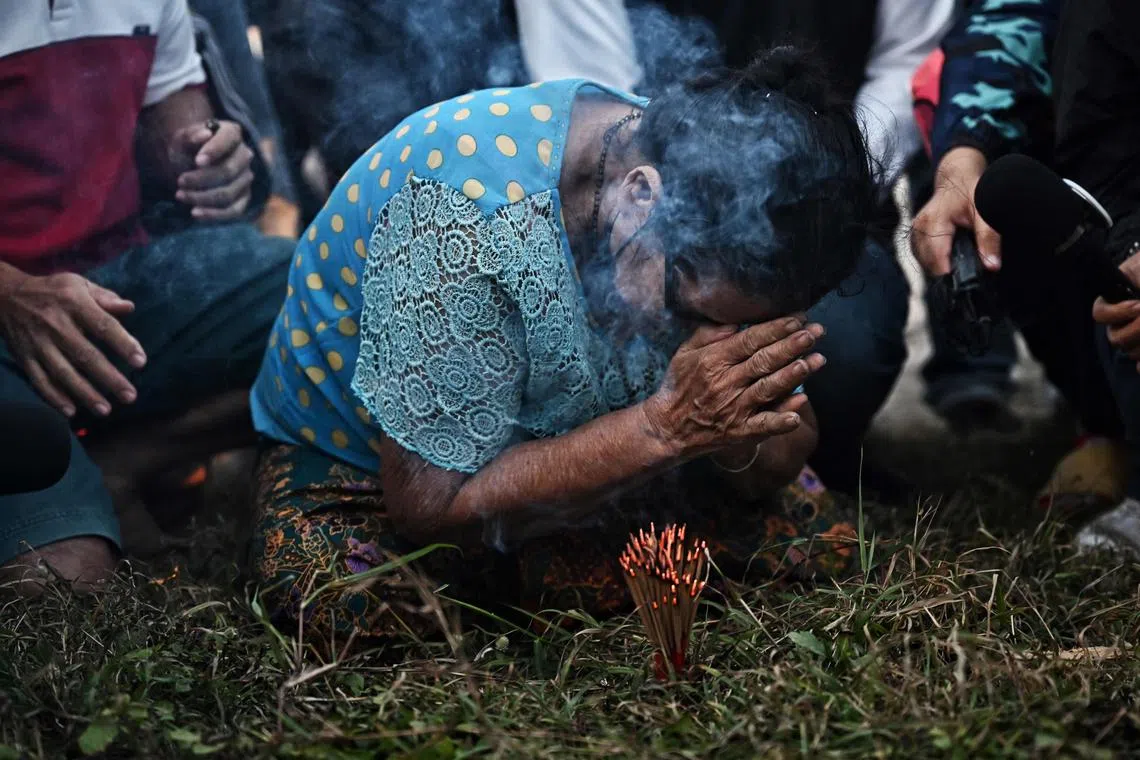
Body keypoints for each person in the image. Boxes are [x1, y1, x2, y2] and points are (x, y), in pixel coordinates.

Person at [248, 47, 878, 639]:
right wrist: (666, 430)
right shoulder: (461, 215)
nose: (707, 334)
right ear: (641, 196)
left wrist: (730, 420)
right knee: (330, 591)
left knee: (823, 541)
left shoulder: (717, 193)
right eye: (686, 309)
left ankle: (560, 564)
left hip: (602, 443)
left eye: (737, 325)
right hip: (376, 467)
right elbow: (428, 508)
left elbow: (783, 452)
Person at [0, 0, 293, 593]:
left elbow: (180, 138)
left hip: (129, 290)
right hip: (6, 314)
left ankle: (130, 460)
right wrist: (12, 294)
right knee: (62, 588)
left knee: (359, 305)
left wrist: (215, 161)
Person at [633, 0, 955, 496]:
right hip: (665, 204)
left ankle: (804, 466)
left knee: (844, 346)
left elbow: (907, 62)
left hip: (823, 210)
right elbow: (592, 73)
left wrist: (815, 178)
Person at [910, 0, 1138, 532]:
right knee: (1003, 195)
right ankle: (1112, 425)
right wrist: (966, 151)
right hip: (1113, 185)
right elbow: (1016, 14)